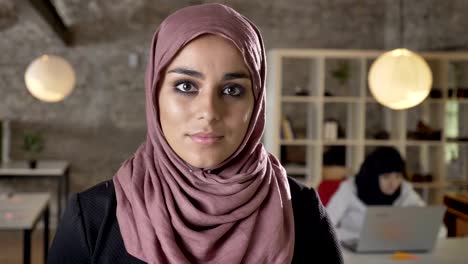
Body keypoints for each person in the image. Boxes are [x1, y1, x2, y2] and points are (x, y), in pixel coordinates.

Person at [47, 4, 342, 264]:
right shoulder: (93, 219)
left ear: (256, 102)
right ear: (155, 95)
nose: (209, 111)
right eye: (186, 86)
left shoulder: (302, 214)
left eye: (232, 90)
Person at [326, 146, 445, 242]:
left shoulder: (404, 191)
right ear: (373, 175)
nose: (393, 184)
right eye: (386, 177)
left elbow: (439, 229)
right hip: (352, 253)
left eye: (398, 176)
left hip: (393, 252)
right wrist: (354, 238)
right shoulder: (349, 189)